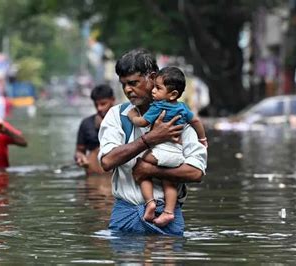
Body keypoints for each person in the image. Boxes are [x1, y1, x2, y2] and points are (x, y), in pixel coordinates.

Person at [98, 48, 207, 236]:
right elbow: (107, 161)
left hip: (168, 217)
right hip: (125, 216)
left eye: (133, 83)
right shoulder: (118, 115)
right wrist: (150, 139)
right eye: (124, 85)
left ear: (152, 78)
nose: (128, 90)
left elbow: (196, 172)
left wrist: (152, 170)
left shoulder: (180, 116)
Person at [127, 66, 208, 227]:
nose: (153, 92)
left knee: (140, 166)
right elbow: (197, 121)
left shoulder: (158, 107)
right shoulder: (183, 108)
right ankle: (169, 212)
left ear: (173, 94)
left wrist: (133, 116)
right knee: (169, 180)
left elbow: (143, 122)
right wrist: (203, 139)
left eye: (158, 88)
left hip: (161, 152)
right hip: (177, 154)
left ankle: (150, 202)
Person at [75, 84, 115, 176]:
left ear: (112, 100)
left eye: (103, 104)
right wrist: (80, 158)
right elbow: (79, 151)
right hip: (93, 175)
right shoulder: (86, 123)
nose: (99, 108)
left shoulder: (124, 121)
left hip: (116, 176)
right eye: (96, 104)